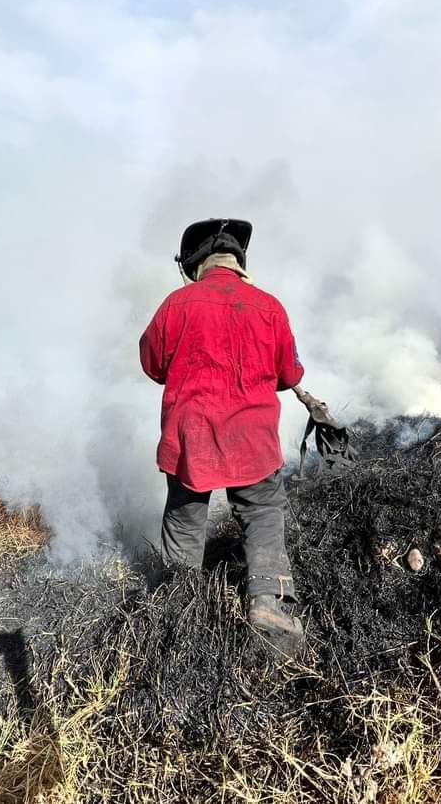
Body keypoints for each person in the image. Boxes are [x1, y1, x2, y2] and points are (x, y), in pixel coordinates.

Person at [139, 218, 305, 654]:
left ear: (195, 265)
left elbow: (154, 366)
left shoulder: (176, 304)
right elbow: (289, 374)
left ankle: (177, 608)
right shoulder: (269, 305)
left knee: (184, 518)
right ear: (239, 262)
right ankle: (268, 603)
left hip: (191, 439)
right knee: (264, 513)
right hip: (252, 439)